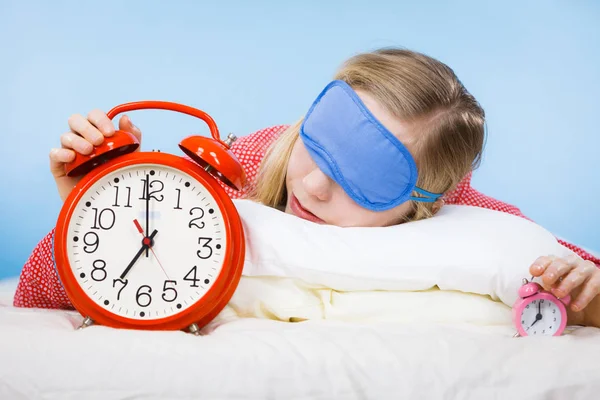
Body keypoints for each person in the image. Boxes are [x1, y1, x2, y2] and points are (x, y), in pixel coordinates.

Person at [13, 48, 600, 328]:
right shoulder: (251, 159)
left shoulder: (464, 213)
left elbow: (563, 265)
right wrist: (86, 202)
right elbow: (33, 297)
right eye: (314, 146)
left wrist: (585, 288)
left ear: (427, 200)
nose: (314, 186)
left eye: (361, 181)